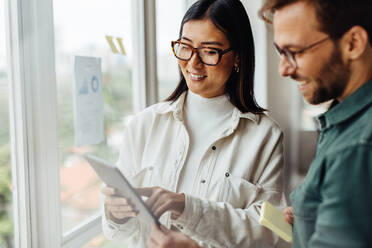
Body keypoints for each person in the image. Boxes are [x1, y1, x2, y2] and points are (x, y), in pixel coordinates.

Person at [147, 0, 372, 247]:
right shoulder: (340, 124)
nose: (284, 69)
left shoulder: (357, 147)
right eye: (280, 52)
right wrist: (307, 224)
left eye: (295, 52)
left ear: (353, 44)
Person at [101, 0, 286, 247]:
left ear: (238, 57)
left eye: (210, 51)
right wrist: (115, 213)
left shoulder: (265, 136)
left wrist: (188, 208)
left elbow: (272, 234)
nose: (193, 63)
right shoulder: (144, 124)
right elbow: (118, 234)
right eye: (185, 47)